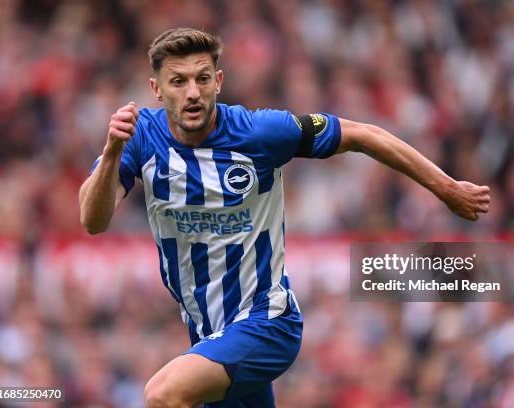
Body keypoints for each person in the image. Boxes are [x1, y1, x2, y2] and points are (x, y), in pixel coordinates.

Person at [78, 27, 491, 408]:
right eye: (178, 81)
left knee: (162, 395)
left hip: (267, 322)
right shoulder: (140, 138)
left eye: (203, 79)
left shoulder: (259, 133)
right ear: (156, 89)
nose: (192, 93)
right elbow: (92, 220)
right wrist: (113, 152)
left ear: (218, 82)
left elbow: (364, 135)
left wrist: (446, 188)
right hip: (211, 333)